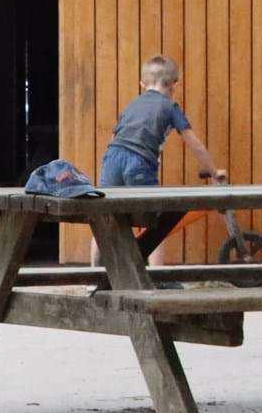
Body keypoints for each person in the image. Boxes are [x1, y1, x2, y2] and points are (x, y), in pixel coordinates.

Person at [95, 55, 225, 266]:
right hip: (139, 161)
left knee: (104, 216)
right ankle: (157, 276)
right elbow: (195, 144)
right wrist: (213, 170)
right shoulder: (169, 107)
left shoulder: (131, 105)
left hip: (112, 158)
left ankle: (95, 274)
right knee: (155, 224)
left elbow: (114, 138)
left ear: (142, 84)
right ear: (174, 85)